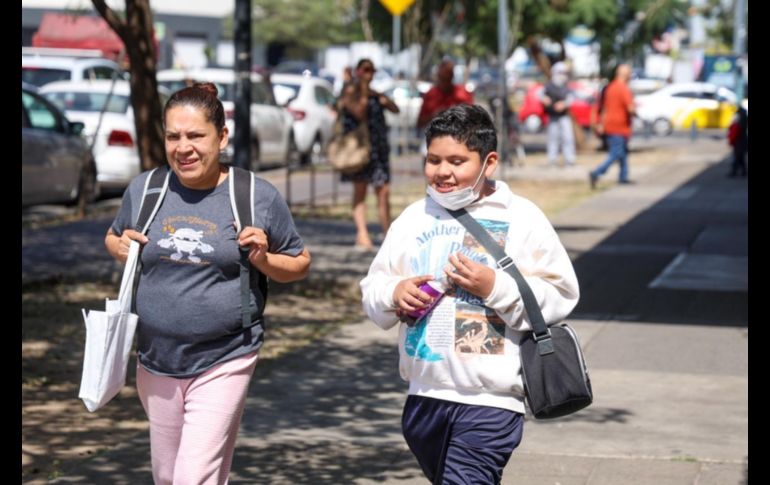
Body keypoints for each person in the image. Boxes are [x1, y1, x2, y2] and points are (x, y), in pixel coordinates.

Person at [104, 83, 311, 484]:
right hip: (156, 359)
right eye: (173, 136)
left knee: (191, 476)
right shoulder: (146, 190)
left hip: (226, 357)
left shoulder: (255, 196)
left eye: (196, 135)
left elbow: (300, 263)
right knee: (170, 476)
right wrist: (120, 246)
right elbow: (115, 237)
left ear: (222, 136)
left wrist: (264, 259)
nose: (184, 147)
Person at [360, 104, 579, 484]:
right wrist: (394, 293)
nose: (442, 171)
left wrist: (495, 287)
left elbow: (561, 293)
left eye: (457, 161)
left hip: (490, 403)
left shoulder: (523, 218)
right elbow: (373, 287)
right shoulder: (414, 218)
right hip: (423, 397)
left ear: (488, 162)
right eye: (433, 160)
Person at [339, 58, 399, 250]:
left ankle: (387, 233)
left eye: (372, 70)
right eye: (365, 70)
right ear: (358, 72)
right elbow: (359, 112)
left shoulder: (375, 94)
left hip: (378, 150)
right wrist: (364, 90)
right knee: (360, 191)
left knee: (383, 191)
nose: (368, 74)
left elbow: (395, 109)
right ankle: (362, 233)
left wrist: (380, 97)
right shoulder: (350, 91)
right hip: (359, 150)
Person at [589, 63, 636, 188]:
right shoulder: (624, 89)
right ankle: (596, 172)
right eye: (629, 73)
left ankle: (623, 177)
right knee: (616, 153)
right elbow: (630, 108)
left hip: (610, 125)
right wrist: (636, 113)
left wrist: (601, 124)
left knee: (623, 153)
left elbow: (603, 108)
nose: (630, 76)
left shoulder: (610, 87)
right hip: (620, 126)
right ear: (625, 75)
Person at [416, 59, 474, 130]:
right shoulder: (431, 94)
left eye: (447, 78)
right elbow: (419, 123)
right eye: (442, 79)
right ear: (438, 77)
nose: (445, 83)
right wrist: (434, 116)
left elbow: (473, 120)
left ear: (452, 76)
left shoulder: (463, 93)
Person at [539, 61, 576, 167]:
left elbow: (571, 98)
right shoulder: (549, 86)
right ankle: (552, 160)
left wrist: (563, 104)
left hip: (564, 116)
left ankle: (569, 160)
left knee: (568, 138)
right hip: (553, 117)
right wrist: (544, 99)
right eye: (561, 73)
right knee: (553, 139)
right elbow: (539, 94)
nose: (563, 75)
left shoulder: (566, 86)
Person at [727, 105, 748, 177]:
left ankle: (734, 172)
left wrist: (731, 141)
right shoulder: (743, 119)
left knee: (738, 157)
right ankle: (743, 172)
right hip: (741, 141)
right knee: (740, 158)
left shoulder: (739, 122)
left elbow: (734, 133)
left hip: (739, 142)